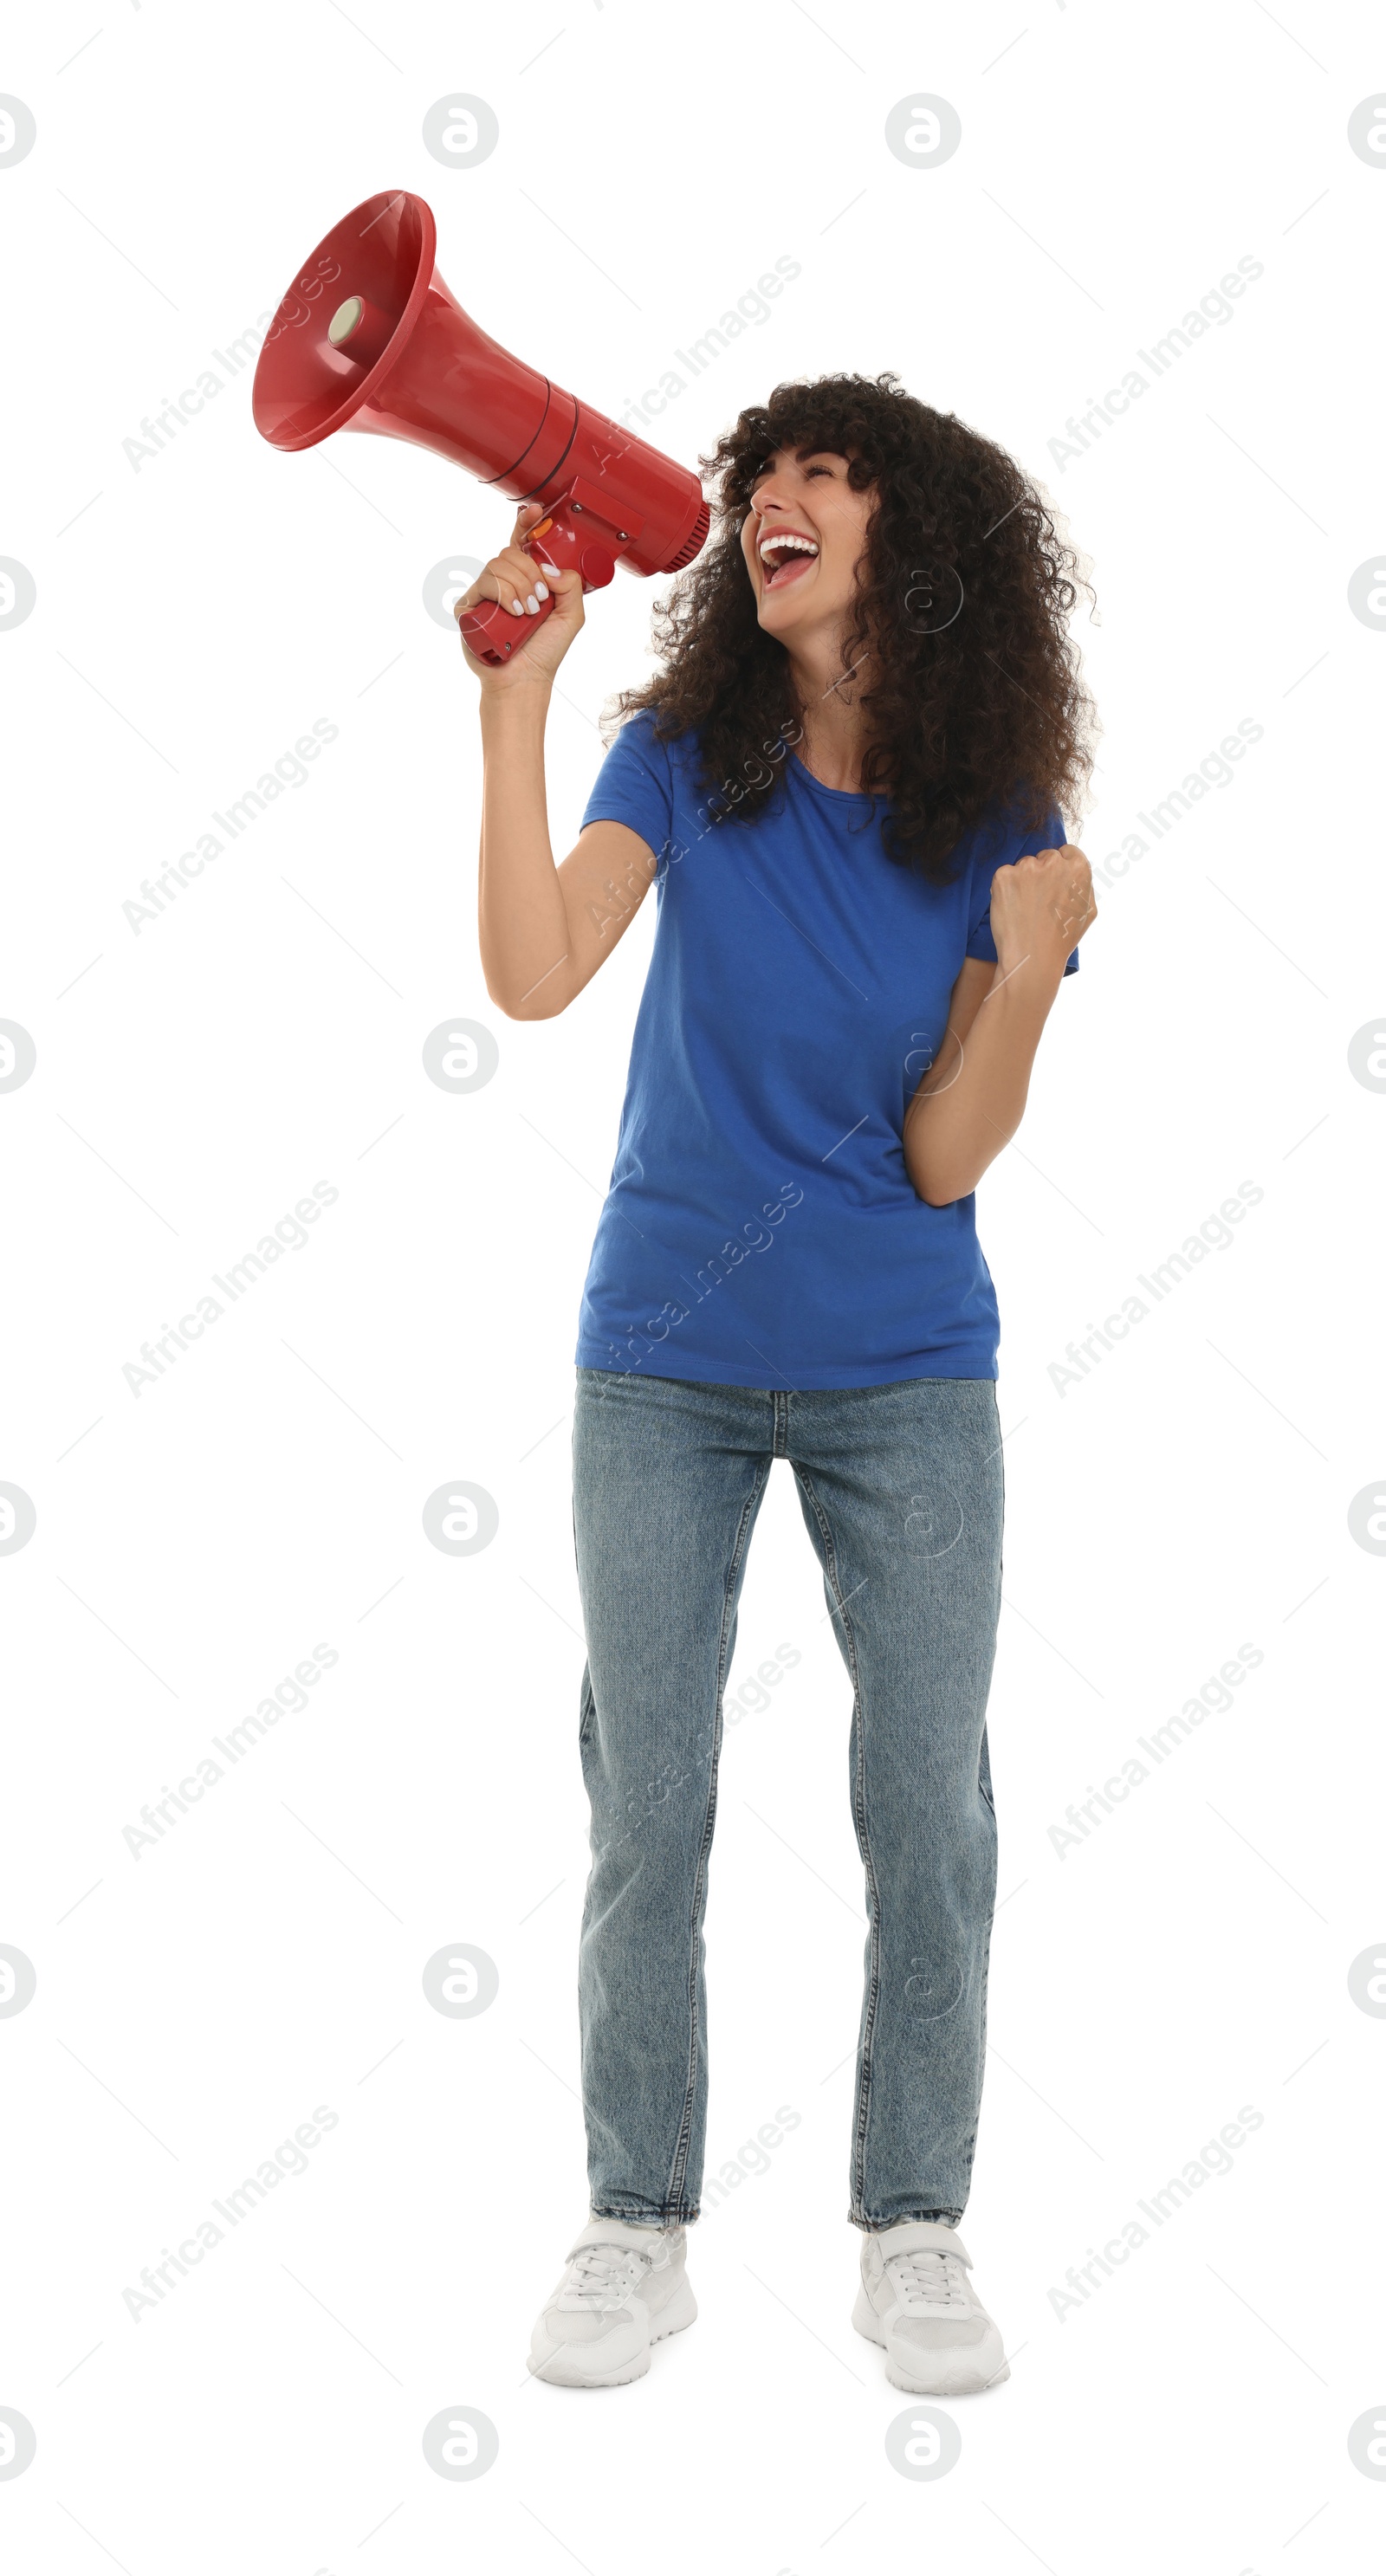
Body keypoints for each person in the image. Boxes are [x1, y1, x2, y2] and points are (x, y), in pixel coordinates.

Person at [457, 372, 1097, 2395]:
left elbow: (944, 1155)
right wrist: (510, 705)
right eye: (761, 478)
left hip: (907, 1368)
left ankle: (912, 2223)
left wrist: (1029, 964)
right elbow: (537, 969)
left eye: (831, 472)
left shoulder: (1002, 826)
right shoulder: (676, 753)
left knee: (927, 1804)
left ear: (922, 541)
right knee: (648, 1796)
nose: (774, 501)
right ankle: (632, 2221)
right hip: (663, 1357)